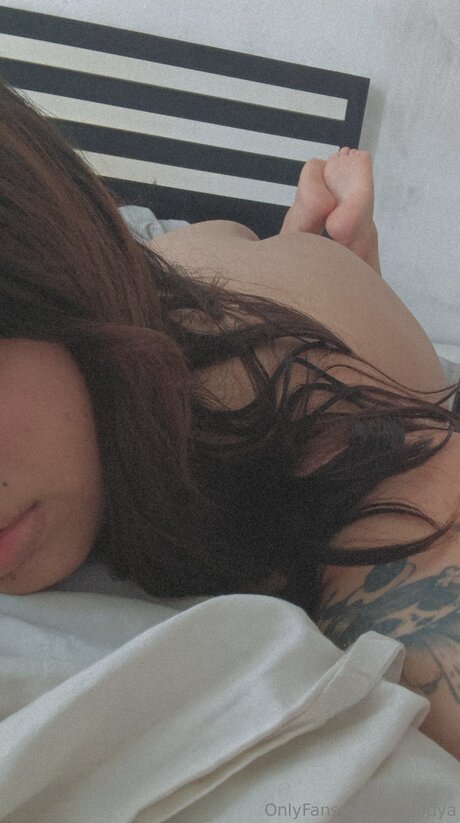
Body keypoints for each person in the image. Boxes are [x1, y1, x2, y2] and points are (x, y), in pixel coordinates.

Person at [0, 77, 459, 760]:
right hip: (187, 263)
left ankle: (335, 249)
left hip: (286, 313)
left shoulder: (264, 397)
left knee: (305, 305)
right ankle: (319, 237)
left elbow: (406, 517)